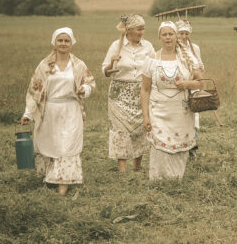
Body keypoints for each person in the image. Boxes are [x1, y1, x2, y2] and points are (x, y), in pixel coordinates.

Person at [20, 27, 95, 196]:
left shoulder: (78, 65)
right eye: (60, 40)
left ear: (71, 43)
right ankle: (50, 180)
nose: (63, 43)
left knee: (66, 148)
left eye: (66, 40)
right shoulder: (44, 65)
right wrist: (28, 114)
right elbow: (34, 91)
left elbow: (90, 83)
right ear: (54, 42)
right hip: (49, 112)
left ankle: (63, 187)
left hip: (71, 110)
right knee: (50, 146)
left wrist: (85, 89)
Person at [141, 21, 202, 180]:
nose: (168, 37)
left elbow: (200, 82)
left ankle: (175, 181)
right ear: (159, 37)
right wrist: (146, 116)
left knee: (179, 145)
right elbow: (145, 89)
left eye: (171, 34)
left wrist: (187, 84)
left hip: (181, 112)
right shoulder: (151, 59)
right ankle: (158, 181)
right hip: (158, 111)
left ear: (176, 36)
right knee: (160, 146)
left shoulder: (188, 59)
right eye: (164, 34)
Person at [102, 14, 154, 172]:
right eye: (139, 29)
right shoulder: (116, 46)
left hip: (141, 92)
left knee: (140, 128)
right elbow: (105, 71)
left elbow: (154, 67)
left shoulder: (148, 47)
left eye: (143, 28)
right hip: (119, 94)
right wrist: (112, 62)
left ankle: (137, 166)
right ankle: (122, 168)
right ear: (129, 30)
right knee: (121, 130)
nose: (142, 32)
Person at [176, 19, 203, 158]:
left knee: (194, 118)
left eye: (186, 33)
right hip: (179, 88)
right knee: (180, 116)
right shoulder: (174, 47)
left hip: (193, 87)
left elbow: (200, 67)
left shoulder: (194, 48)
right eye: (181, 33)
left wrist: (195, 77)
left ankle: (192, 149)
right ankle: (180, 147)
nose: (184, 36)